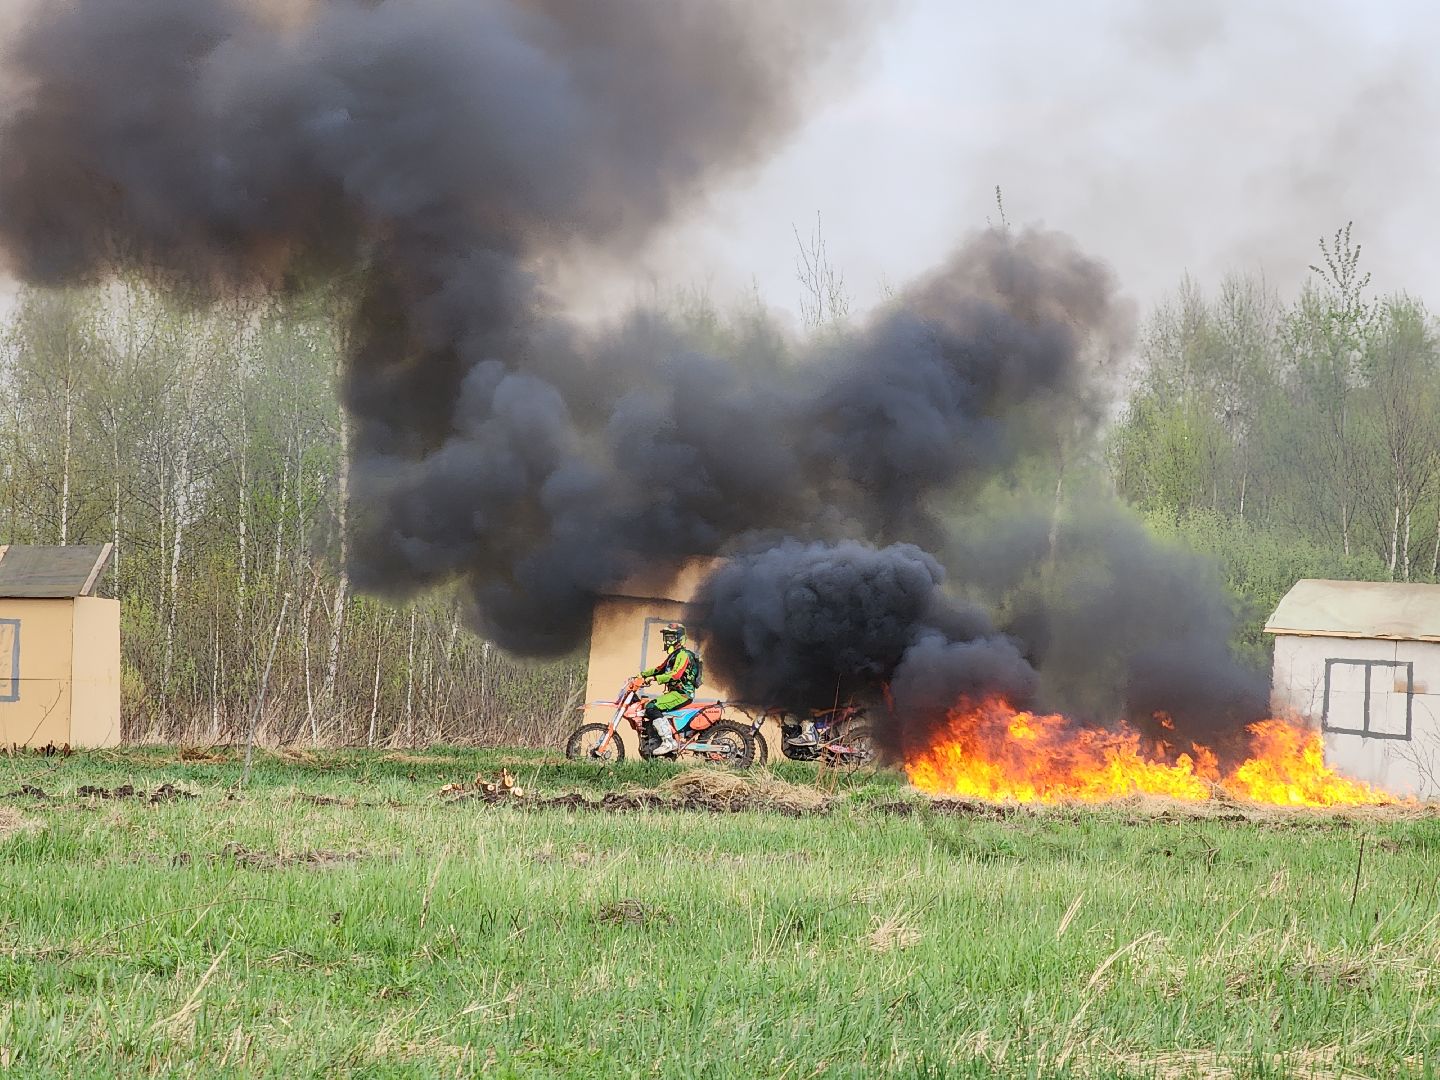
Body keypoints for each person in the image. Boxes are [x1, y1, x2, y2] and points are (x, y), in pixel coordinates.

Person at [635, 622, 701, 756]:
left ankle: (668, 741)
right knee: (649, 707)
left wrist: (654, 679)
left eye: (671, 637)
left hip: (682, 694)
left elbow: (675, 674)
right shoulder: (674, 655)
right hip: (676, 693)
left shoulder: (683, 655)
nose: (667, 641)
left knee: (652, 707)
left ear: (680, 638)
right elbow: (659, 669)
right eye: (666, 637)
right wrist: (641, 675)